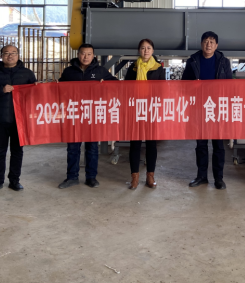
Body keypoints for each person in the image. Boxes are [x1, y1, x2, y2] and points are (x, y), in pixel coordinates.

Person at [57, 44, 116, 189]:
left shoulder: (100, 71)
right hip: (74, 114)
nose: (86, 57)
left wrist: (106, 85)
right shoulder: (69, 72)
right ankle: (72, 177)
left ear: (93, 56)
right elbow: (59, 88)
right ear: (78, 54)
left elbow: (116, 85)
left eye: (89, 54)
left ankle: (91, 177)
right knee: (73, 147)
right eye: (83, 53)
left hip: (92, 115)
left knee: (92, 147)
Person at [0, 45, 36, 194]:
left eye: (13, 53)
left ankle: (14, 181)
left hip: (20, 121)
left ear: (18, 55)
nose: (10, 56)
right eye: (6, 53)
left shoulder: (27, 74)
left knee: (17, 151)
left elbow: (35, 94)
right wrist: (1, 90)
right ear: (1, 56)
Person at [182, 31, 233, 189]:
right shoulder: (193, 61)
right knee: (201, 145)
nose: (208, 44)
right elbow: (183, 84)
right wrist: (193, 85)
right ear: (201, 44)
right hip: (199, 108)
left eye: (211, 42)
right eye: (205, 41)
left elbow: (230, 85)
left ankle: (219, 178)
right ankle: (201, 176)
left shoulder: (223, 62)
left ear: (216, 45)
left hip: (217, 108)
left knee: (218, 145)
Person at [124, 39, 166, 190]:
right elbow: (126, 89)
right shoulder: (133, 68)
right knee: (135, 143)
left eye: (148, 48)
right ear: (139, 51)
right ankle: (134, 177)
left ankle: (150, 176)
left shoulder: (158, 68)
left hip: (151, 109)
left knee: (151, 143)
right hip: (135, 109)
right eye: (143, 48)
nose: (146, 51)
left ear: (153, 50)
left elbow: (162, 90)